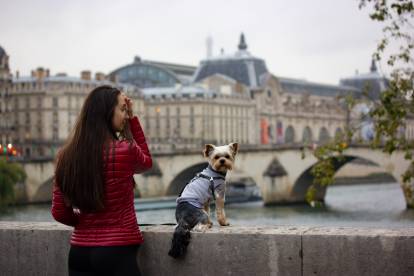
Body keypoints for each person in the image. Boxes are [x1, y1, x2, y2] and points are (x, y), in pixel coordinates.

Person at [51, 85, 152, 276]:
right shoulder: (126, 149)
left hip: (79, 254)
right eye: (122, 110)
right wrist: (133, 121)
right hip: (117, 252)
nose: (125, 115)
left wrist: (86, 224)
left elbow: (59, 212)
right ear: (107, 113)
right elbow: (146, 163)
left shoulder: (65, 156)